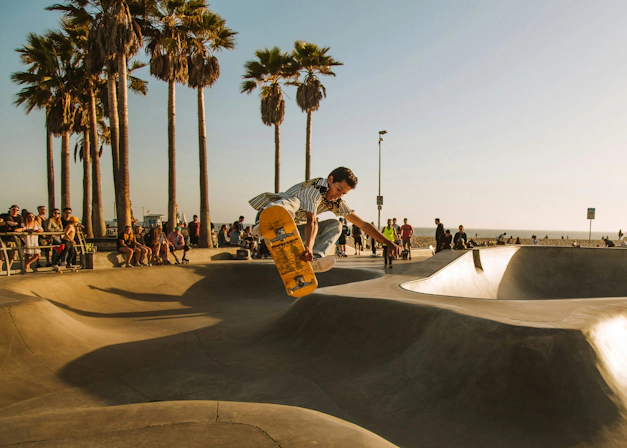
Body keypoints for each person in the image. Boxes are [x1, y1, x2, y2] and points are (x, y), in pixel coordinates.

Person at [249, 167, 402, 272]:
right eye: (338, 189)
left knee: (336, 225)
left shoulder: (336, 203)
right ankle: (265, 224)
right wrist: (308, 245)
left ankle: (314, 259)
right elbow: (312, 222)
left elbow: (362, 224)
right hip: (268, 218)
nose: (338, 195)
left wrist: (389, 243)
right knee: (293, 202)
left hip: (292, 231)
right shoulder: (314, 189)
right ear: (330, 180)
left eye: (343, 193)